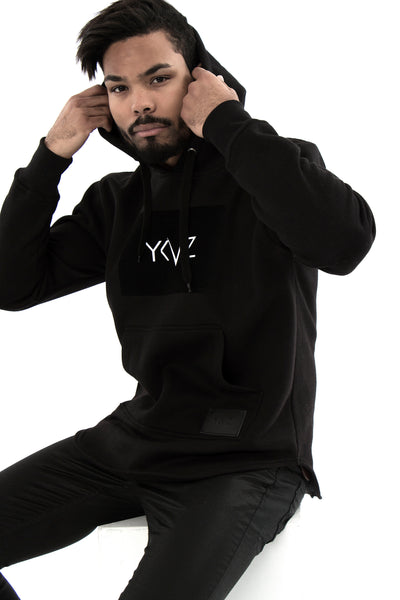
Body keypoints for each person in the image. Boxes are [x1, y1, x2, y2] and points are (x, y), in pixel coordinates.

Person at [0, 0, 376, 598]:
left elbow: (344, 243)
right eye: (119, 87)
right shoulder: (117, 202)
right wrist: (51, 156)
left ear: (201, 77)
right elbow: (11, 285)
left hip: (245, 461)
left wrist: (228, 122)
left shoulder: (273, 171)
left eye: (158, 78)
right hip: (132, 442)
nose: (139, 103)